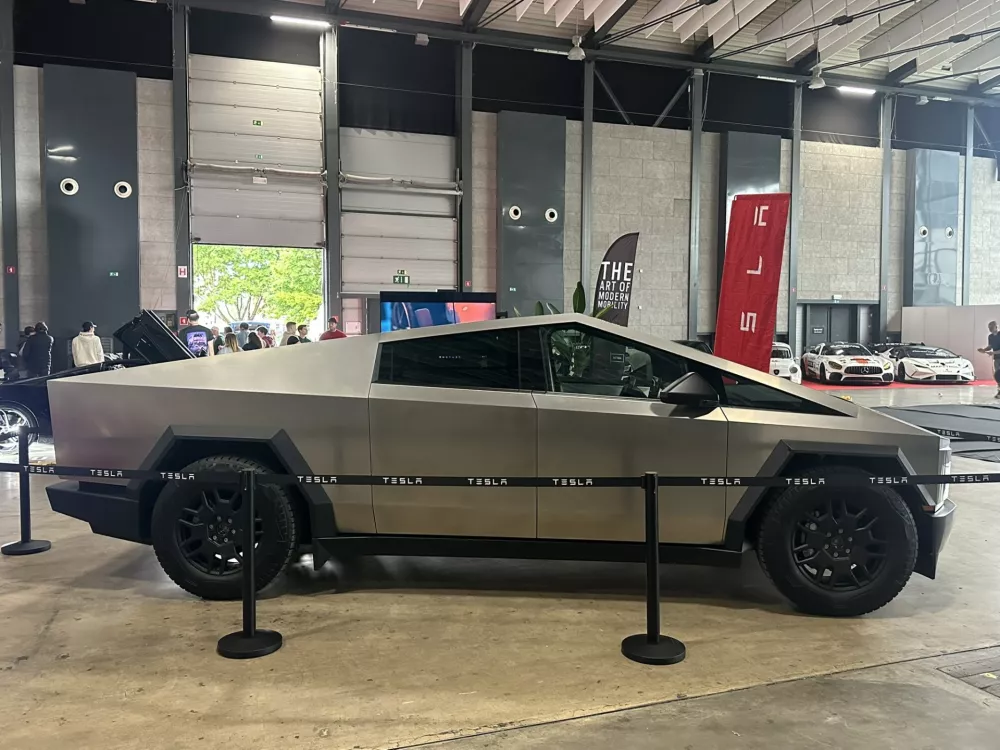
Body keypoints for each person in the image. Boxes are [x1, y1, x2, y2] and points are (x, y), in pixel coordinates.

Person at [978, 320, 1000, 398]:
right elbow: (990, 346)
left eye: (991, 327)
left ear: (996, 327)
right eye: (989, 328)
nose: (990, 329)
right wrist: (984, 350)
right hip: (996, 358)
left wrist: (993, 353)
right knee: (998, 375)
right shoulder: (990, 337)